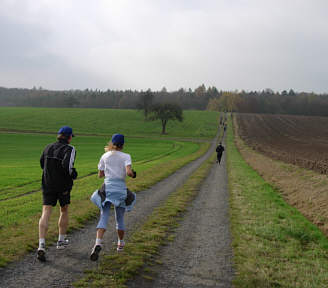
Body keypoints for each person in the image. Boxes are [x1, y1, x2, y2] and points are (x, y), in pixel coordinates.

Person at [90, 133, 136, 261]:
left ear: (112, 143)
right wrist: (133, 174)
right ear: (123, 144)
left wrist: (108, 171)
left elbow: (100, 174)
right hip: (120, 189)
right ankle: (120, 243)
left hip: (108, 189)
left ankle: (98, 243)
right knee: (119, 218)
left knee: (104, 215)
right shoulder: (126, 156)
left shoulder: (105, 156)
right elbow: (128, 172)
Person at [37, 126, 78, 262]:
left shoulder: (48, 147)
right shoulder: (70, 149)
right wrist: (73, 174)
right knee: (64, 210)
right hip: (63, 185)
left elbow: (42, 163)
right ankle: (60, 241)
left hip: (48, 183)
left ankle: (41, 244)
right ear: (69, 137)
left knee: (46, 212)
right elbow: (67, 166)